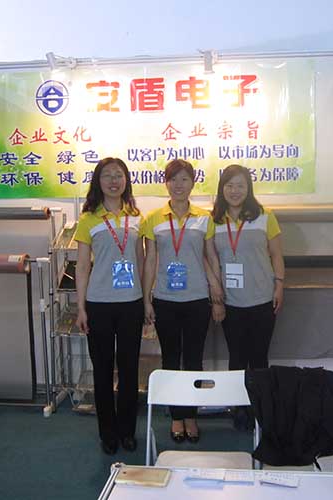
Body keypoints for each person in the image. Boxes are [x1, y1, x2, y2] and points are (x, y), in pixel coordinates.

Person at [142, 159, 223, 444]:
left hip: (197, 299)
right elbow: (150, 260)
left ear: (193, 183)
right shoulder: (153, 218)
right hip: (165, 299)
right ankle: (176, 416)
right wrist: (147, 298)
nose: (179, 185)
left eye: (184, 179)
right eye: (173, 179)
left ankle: (191, 415)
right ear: (166, 183)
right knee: (170, 359)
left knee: (193, 359)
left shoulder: (204, 217)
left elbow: (210, 256)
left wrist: (216, 292)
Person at [74, 157, 144, 455]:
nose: (114, 181)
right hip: (99, 303)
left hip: (131, 303)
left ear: (126, 180)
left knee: (129, 370)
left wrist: (146, 298)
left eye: (119, 175)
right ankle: (108, 433)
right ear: (98, 182)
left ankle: (127, 431)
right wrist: (81, 308)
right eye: (107, 176)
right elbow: (81, 267)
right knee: (102, 371)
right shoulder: (89, 218)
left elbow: (142, 260)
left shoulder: (137, 216)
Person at [206, 163, 285, 372]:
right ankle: (238, 396)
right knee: (236, 359)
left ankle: (260, 395)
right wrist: (217, 300)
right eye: (229, 185)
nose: (235, 191)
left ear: (248, 188)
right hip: (231, 301)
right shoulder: (213, 220)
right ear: (222, 188)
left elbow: (276, 254)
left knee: (259, 359)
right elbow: (211, 259)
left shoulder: (265, 216)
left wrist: (279, 286)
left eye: (240, 186)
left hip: (263, 299)